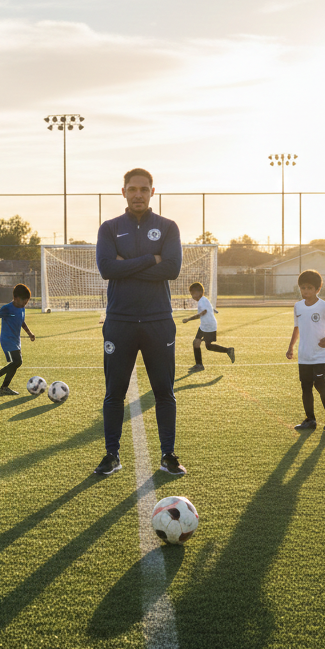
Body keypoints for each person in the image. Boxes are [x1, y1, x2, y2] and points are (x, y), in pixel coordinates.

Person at [94, 167, 184, 477]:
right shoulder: (109, 228)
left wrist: (126, 266)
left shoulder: (168, 227)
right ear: (123, 192)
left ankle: (168, 455)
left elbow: (172, 269)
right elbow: (107, 268)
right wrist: (151, 259)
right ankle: (111, 455)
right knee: (114, 393)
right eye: (132, 189)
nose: (138, 194)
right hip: (120, 321)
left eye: (144, 189)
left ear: (152, 193)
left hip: (159, 320)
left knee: (164, 392)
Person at [286, 270, 325, 432]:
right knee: (306, 387)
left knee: (319, 383)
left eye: (309, 288)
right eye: (303, 288)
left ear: (318, 289)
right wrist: (291, 347)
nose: (305, 291)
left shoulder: (323, 306)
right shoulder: (298, 306)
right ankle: (310, 419)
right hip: (304, 354)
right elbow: (297, 328)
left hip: (319, 354)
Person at [183, 281, 233, 373]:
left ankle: (227, 351)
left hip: (208, 326)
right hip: (205, 326)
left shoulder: (202, 301)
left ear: (198, 292)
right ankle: (199, 365)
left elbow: (202, 313)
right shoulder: (204, 300)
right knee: (198, 343)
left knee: (206, 346)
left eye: (193, 294)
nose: (192, 296)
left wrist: (188, 319)